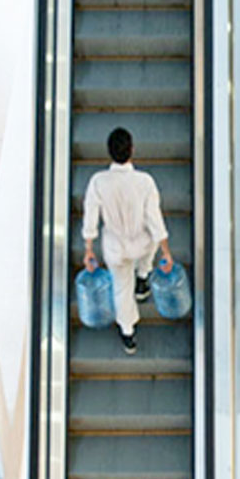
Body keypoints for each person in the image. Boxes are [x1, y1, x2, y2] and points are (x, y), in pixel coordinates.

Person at [82, 127, 175, 355]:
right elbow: (154, 220)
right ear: (132, 150)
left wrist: (89, 249)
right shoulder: (145, 182)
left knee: (122, 290)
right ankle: (143, 277)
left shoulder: (98, 182)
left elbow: (90, 218)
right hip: (141, 243)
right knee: (151, 240)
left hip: (115, 248)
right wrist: (166, 252)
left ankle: (128, 333)